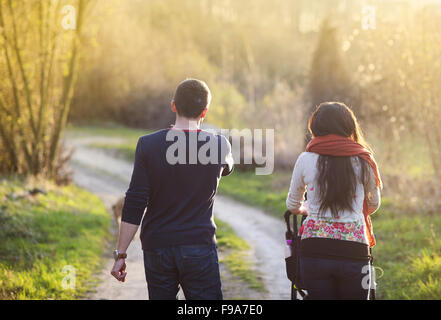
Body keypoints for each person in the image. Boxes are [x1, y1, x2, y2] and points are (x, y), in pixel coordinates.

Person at [110, 79, 234, 300]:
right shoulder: (219, 145)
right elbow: (227, 168)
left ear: (173, 105)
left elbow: (135, 201)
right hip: (199, 245)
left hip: (158, 247)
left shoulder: (147, 145)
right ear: (204, 112)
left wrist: (121, 254)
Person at [286, 102, 382, 300]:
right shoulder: (365, 160)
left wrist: (308, 208)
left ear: (316, 127)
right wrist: (355, 211)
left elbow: (292, 206)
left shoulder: (305, 159)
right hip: (355, 250)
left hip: (314, 251)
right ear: (350, 126)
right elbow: (373, 204)